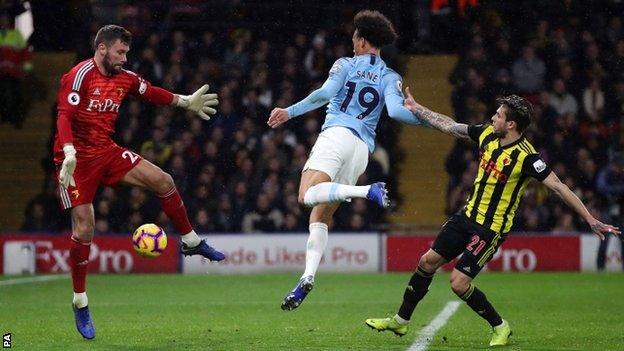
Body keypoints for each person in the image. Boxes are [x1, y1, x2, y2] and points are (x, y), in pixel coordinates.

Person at [365, 93, 620, 346]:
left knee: (458, 282)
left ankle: (500, 326)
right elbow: (450, 126)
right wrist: (417, 107)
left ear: (511, 124)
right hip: (466, 216)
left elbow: (559, 187)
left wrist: (590, 218)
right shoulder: (487, 134)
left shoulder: (527, 157)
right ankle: (401, 321)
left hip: (490, 228)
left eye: (498, 115)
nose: (492, 117)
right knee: (427, 262)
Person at [54, 25, 225, 340]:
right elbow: (64, 115)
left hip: (106, 151)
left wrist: (185, 102)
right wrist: (68, 151)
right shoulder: (79, 76)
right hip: (75, 160)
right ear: (102, 48)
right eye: (120, 51)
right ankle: (80, 301)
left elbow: (151, 93)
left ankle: (190, 241)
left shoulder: (124, 78)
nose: (124, 57)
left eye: (127, 52)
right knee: (85, 228)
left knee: (163, 180)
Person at [267, 10, 424, 311]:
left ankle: (368, 191)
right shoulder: (391, 76)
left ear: (363, 41)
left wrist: (289, 111)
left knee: (305, 196)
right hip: (361, 150)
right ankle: (307, 277)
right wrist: (430, 121)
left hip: (337, 134)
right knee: (321, 216)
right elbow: (396, 112)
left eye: (354, 37)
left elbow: (324, 94)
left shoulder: (345, 64)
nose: (352, 42)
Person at [595, 154, 624, 271]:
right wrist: (618, 190)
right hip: (607, 209)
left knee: (623, 241)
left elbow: (604, 189)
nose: (618, 169)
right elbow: (600, 187)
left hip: (621, 212)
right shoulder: (605, 173)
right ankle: (600, 268)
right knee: (604, 240)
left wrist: (612, 191)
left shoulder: (619, 175)